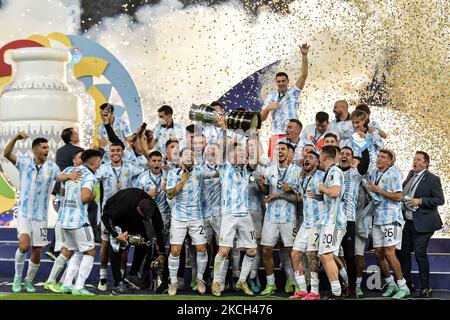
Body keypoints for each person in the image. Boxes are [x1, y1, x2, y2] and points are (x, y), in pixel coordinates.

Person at [3, 132, 80, 293]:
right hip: (24, 213)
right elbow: (6, 154)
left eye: (48, 148)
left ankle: (28, 281)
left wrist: (69, 176)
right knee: (24, 246)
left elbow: (59, 177)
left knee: (37, 250)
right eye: (44, 147)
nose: (47, 150)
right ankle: (17, 278)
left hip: (41, 217)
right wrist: (16, 138)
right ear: (35, 150)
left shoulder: (51, 167)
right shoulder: (24, 163)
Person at [166, 148, 217, 295]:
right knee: (175, 250)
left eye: (192, 154)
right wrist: (182, 181)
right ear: (181, 159)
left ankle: (200, 279)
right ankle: (173, 282)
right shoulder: (173, 174)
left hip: (196, 217)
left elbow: (217, 172)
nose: (190, 156)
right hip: (178, 218)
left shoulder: (200, 172)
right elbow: (169, 194)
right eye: (186, 154)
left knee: (201, 249)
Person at [95, 141, 144, 291]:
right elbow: (92, 178)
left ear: (123, 152)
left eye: (118, 150)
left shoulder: (130, 166)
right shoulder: (103, 168)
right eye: (112, 151)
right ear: (108, 153)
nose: (115, 153)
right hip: (108, 212)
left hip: (126, 213)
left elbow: (145, 171)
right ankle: (102, 276)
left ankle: (121, 277)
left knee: (124, 245)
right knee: (106, 244)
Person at [396, 151, 445, 298]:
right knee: (403, 252)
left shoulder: (432, 179)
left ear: (426, 163)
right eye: (414, 159)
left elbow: (439, 200)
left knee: (419, 253)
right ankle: (407, 285)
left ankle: (426, 288)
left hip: (425, 223)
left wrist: (420, 201)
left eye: (418, 160)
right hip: (409, 222)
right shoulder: (411, 174)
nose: (415, 162)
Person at [211, 145, 257, 296]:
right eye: (239, 153)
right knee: (224, 251)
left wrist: (255, 136)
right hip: (229, 215)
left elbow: (254, 162)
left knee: (251, 251)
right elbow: (222, 150)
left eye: (244, 154)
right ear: (231, 155)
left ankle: (242, 281)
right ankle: (216, 282)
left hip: (245, 215)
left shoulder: (246, 170)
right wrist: (225, 129)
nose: (243, 156)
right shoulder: (224, 168)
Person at [101, 188, 166, 294]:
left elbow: (158, 228)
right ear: (138, 208)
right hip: (115, 217)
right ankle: (118, 283)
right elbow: (105, 217)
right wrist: (116, 235)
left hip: (134, 219)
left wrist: (161, 253)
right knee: (117, 247)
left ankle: (132, 274)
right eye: (143, 216)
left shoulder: (152, 207)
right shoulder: (123, 204)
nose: (146, 218)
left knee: (145, 241)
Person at [366, 149, 410, 299]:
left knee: (390, 253)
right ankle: (391, 284)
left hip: (391, 218)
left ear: (389, 161)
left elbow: (398, 196)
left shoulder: (394, 173)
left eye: (383, 157)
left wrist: (379, 190)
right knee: (378, 253)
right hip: (377, 218)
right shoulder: (374, 173)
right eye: (378, 156)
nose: (379, 159)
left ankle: (403, 286)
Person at [258, 142, 300, 295]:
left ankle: (297, 283)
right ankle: (270, 284)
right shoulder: (269, 170)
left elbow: (300, 198)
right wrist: (262, 185)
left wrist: (286, 192)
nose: (280, 151)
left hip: (289, 217)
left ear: (290, 153)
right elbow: (266, 192)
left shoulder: (297, 172)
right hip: (271, 217)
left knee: (292, 252)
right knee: (267, 250)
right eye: (277, 149)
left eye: (283, 149)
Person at [58, 149, 101, 295]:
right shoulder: (89, 175)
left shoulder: (69, 170)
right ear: (94, 162)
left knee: (76, 251)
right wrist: (93, 194)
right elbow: (84, 197)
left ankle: (66, 285)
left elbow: (62, 192)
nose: (99, 164)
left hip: (64, 220)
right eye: (99, 161)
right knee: (90, 251)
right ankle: (79, 286)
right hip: (79, 221)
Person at [260, 43, 310, 157]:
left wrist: (304, 56)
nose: (281, 83)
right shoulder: (271, 97)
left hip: (293, 135)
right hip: (277, 135)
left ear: (287, 81)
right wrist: (268, 108)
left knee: (293, 161)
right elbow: (261, 119)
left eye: (283, 81)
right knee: (274, 164)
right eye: (279, 81)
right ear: (276, 82)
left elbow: (303, 75)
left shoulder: (294, 92)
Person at [289, 151, 324, 300]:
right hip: (306, 222)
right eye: (306, 157)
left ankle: (315, 292)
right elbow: (299, 195)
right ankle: (302, 290)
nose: (307, 159)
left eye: (311, 158)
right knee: (295, 254)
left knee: (311, 256)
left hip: (318, 222)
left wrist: (319, 196)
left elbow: (332, 195)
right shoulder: (303, 179)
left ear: (317, 162)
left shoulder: (322, 176)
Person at [46, 128, 83, 260]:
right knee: (89, 208)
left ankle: (57, 247)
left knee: (62, 215)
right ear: (72, 137)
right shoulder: (76, 151)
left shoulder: (60, 151)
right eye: (76, 133)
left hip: (60, 186)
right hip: (70, 186)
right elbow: (87, 163)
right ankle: (58, 247)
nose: (78, 135)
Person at [338, 146, 370, 296]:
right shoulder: (331, 171)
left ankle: (351, 288)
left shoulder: (355, 173)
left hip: (349, 220)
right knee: (329, 254)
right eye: (342, 153)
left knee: (350, 256)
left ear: (351, 159)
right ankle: (336, 286)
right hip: (332, 221)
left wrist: (363, 145)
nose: (344, 156)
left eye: (348, 154)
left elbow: (365, 163)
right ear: (338, 156)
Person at [317, 145, 346, 299]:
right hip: (329, 219)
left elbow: (334, 192)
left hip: (334, 220)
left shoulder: (335, 171)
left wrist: (322, 189)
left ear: (324, 157)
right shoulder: (329, 173)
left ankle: (337, 292)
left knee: (327, 255)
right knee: (324, 255)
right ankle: (341, 285)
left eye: (320, 156)